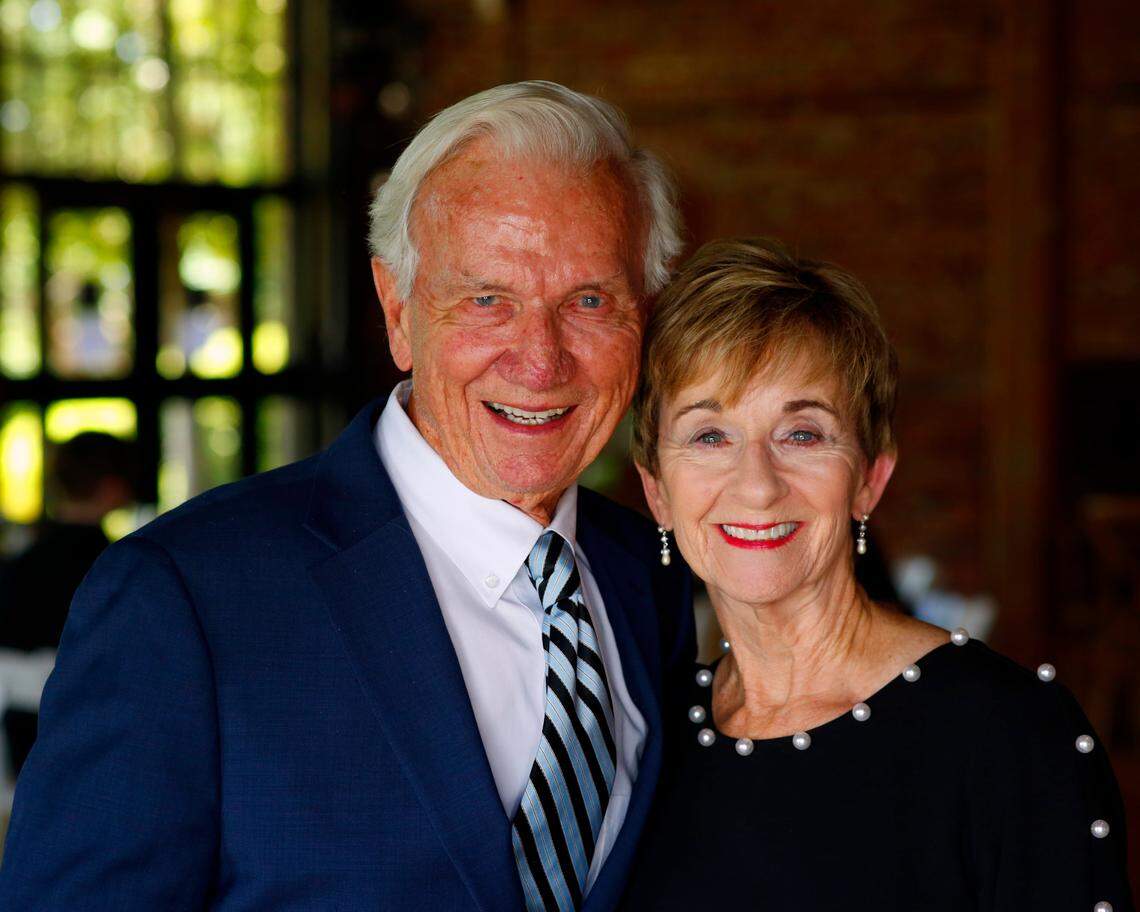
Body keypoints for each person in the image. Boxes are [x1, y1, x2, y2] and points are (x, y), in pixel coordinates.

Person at [0, 81, 694, 911]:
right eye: (486, 300)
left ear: (642, 318)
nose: (540, 361)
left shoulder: (653, 573)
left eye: (588, 301)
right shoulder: (181, 599)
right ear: (398, 311)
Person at [621, 238, 1134, 910]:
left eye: (801, 433)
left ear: (869, 477)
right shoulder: (643, 734)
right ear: (657, 488)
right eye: (709, 436)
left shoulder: (1007, 733)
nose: (756, 485)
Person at [0, 432, 139, 775]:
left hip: (20, 740)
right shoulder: (117, 567)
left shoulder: (20, 562)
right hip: (96, 738)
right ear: (113, 487)